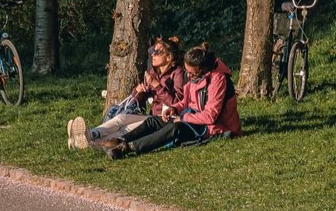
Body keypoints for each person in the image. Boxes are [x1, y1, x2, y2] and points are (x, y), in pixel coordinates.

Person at [98, 43, 241, 159]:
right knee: (154, 121)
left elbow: (211, 116)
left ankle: (127, 148)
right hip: (192, 117)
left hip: (214, 127)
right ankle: (121, 140)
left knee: (175, 128)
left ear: (202, 69)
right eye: (187, 72)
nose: (189, 77)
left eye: (192, 73)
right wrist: (174, 108)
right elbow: (186, 101)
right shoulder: (195, 77)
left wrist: (183, 117)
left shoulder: (218, 79)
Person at [67, 36, 186, 150]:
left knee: (127, 128)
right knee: (121, 118)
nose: (152, 54)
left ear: (169, 57)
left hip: (163, 120)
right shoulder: (153, 72)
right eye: (153, 51)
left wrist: (157, 86)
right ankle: (90, 135)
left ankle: (91, 142)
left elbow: (176, 102)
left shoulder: (177, 73)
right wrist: (139, 91)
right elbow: (138, 100)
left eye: (157, 52)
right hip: (152, 116)